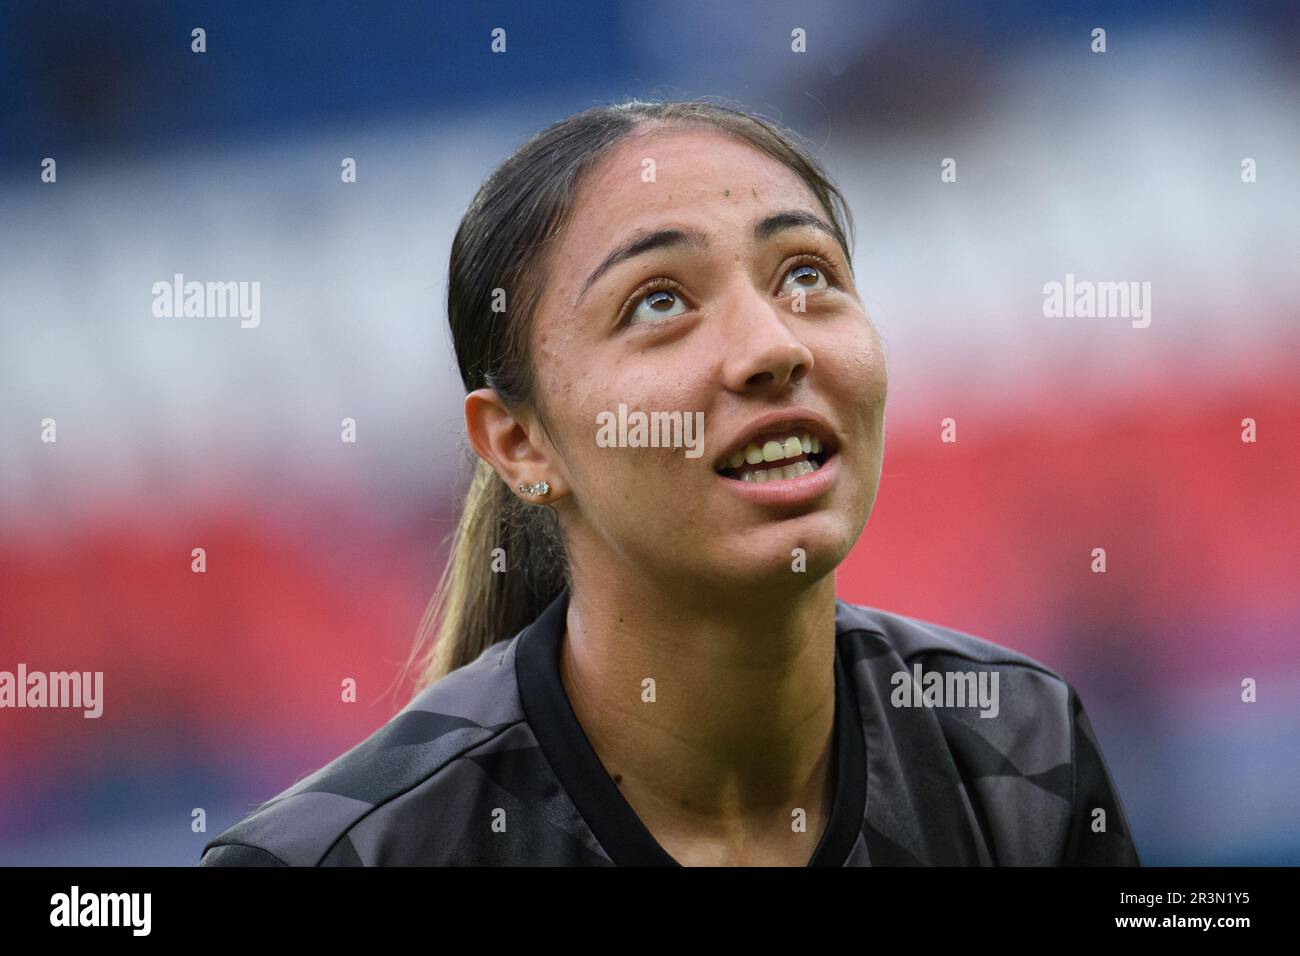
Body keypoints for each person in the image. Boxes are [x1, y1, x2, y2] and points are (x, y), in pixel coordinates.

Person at [200, 98, 1140, 866]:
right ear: (522, 444)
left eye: (806, 274)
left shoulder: (1017, 747)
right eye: (660, 301)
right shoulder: (341, 860)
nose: (773, 346)